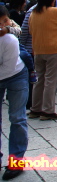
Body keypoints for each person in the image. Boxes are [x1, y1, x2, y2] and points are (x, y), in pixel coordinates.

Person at [0, 18, 29, 181]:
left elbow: (8, 68)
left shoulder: (9, 38)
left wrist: (9, 30)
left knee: (17, 117)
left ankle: (16, 162)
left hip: (16, 74)